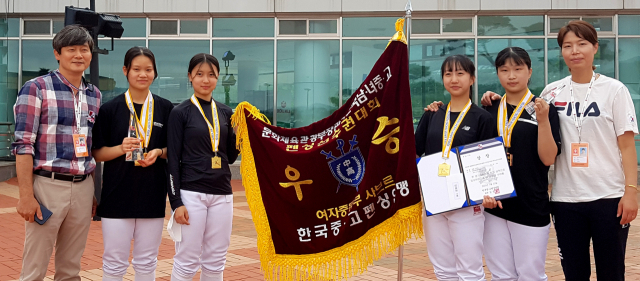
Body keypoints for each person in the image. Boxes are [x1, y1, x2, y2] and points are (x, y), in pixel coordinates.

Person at [482, 20, 638, 281]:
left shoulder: (614, 90)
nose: (575, 51)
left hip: (608, 198)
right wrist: (495, 100)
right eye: (567, 46)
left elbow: (626, 144)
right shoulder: (551, 92)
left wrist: (631, 192)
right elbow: (519, 115)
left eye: (582, 44)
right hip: (565, 200)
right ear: (561, 52)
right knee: (574, 274)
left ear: (595, 48)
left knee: (612, 272)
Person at [13, 25, 101, 281]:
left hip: (83, 186)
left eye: (83, 49)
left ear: (90, 55)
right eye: (71, 49)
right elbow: (23, 145)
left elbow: (90, 146)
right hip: (47, 186)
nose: (78, 55)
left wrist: (92, 190)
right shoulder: (36, 88)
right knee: (35, 267)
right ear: (57, 54)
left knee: (71, 267)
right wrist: (25, 197)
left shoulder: (93, 94)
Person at [91, 47, 174, 281]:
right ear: (125, 71)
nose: (142, 74)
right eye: (136, 69)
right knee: (114, 262)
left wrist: (158, 151)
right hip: (116, 196)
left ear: (155, 73)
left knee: (147, 262)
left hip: (153, 196)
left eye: (148, 69)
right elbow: (96, 153)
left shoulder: (166, 109)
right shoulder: (110, 109)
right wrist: (121, 148)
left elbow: (175, 150)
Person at [480, 47, 561, 280]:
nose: (512, 75)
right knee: (501, 275)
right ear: (497, 74)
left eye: (518, 69)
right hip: (494, 206)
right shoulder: (489, 109)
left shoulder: (543, 109)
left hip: (531, 204)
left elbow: (548, 159)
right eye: (504, 70)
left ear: (529, 72)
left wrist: (543, 120)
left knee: (531, 274)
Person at [414, 55, 495, 281]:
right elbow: (417, 151)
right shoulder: (432, 115)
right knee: (442, 269)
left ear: (472, 78)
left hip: (468, 203)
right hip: (435, 201)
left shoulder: (482, 118)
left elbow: (488, 161)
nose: (454, 79)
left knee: (469, 269)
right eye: (448, 74)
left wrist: (489, 193)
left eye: (460, 73)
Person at [167, 53, 239, 281]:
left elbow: (229, 156)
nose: (205, 80)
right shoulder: (180, 112)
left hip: (222, 194)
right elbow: (172, 160)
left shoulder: (227, 113)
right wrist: (176, 202)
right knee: (187, 260)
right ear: (190, 77)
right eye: (199, 74)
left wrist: (240, 135)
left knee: (216, 261)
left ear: (218, 78)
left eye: (211, 75)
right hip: (191, 194)